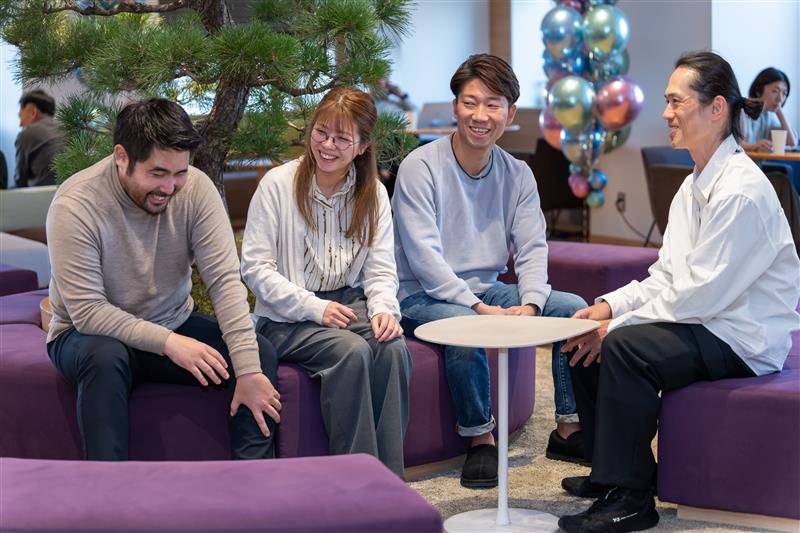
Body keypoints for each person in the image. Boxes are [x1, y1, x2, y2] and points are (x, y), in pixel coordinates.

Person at [558, 51, 800, 533]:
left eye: (676, 101)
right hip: (707, 318)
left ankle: (632, 500)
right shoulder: (693, 186)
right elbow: (667, 277)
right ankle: (612, 473)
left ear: (716, 108)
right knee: (581, 335)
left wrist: (617, 326)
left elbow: (700, 296)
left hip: (742, 337)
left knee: (624, 346)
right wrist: (606, 307)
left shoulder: (740, 191)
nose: (666, 113)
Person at [392, 53, 587, 489]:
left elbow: (532, 247)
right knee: (465, 325)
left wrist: (531, 303)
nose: (480, 115)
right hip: (421, 295)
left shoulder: (518, 174)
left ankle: (568, 428)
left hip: (488, 288)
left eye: (493, 104)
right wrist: (478, 309)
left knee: (573, 308)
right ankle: (480, 438)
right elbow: (424, 260)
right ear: (455, 107)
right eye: (470, 102)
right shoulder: (420, 167)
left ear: (510, 114)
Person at [46, 98, 281, 461]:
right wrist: (169, 342)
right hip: (86, 335)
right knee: (105, 358)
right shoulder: (76, 204)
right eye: (157, 174)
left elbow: (224, 281)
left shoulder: (196, 189)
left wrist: (248, 369)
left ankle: (255, 481)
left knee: (257, 355)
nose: (170, 187)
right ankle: (107, 488)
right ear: (122, 157)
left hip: (172, 320)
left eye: (179, 173)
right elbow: (88, 312)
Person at [241, 87, 412, 476]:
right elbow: (255, 269)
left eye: (341, 138)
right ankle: (356, 481)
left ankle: (389, 480)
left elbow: (381, 269)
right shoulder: (278, 184)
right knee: (351, 352)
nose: (327, 146)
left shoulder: (373, 193)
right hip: (286, 316)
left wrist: (384, 309)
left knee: (392, 348)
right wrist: (314, 308)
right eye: (321, 132)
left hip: (350, 303)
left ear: (363, 146)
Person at [739, 67, 797, 151]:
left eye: (784, 93)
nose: (780, 99)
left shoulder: (769, 116)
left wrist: (779, 111)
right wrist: (752, 146)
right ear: (758, 90)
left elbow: (791, 143)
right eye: (775, 91)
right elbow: (728, 145)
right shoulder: (741, 111)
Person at [15, 89, 64, 187]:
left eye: (20, 116)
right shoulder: (66, 129)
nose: (20, 124)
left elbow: (20, 181)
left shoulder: (27, 134)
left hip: (44, 194)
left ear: (33, 112)